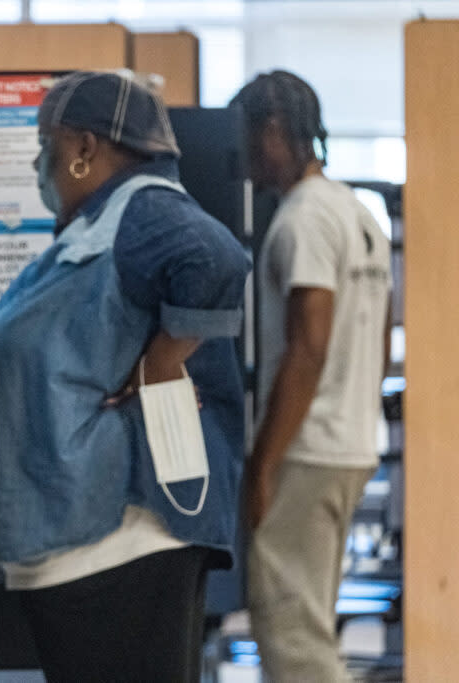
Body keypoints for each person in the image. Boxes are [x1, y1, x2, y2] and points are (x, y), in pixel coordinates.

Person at [0, 71, 251, 682]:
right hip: (84, 537)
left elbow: (214, 256)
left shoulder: (145, 209)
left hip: (125, 535)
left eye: (46, 142)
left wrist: (163, 361)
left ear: (84, 147)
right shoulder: (99, 227)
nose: (39, 162)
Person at [232, 70, 392, 682]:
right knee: (311, 625)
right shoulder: (360, 215)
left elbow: (309, 345)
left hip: (305, 452)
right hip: (349, 446)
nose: (243, 152)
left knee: (291, 637)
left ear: (273, 129)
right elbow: (377, 334)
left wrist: (264, 463)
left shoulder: (303, 219)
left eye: (247, 134)